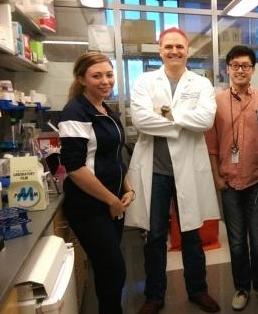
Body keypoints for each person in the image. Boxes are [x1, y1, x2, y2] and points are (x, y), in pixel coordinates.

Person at [125, 27, 221, 314]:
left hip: (189, 170)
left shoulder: (201, 83)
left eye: (180, 46)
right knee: (154, 235)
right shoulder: (145, 81)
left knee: (192, 233)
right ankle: (154, 296)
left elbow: (205, 120)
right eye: (169, 47)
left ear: (187, 50)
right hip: (155, 170)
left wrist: (166, 116)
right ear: (160, 50)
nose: (174, 51)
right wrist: (183, 123)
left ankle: (198, 290)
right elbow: (142, 121)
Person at [58, 52, 135, 314]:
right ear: (81, 79)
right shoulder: (75, 112)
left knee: (108, 272)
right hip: (90, 207)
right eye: (97, 75)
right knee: (114, 269)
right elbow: (76, 168)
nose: (105, 81)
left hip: (112, 204)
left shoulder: (106, 110)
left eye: (109, 74)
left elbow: (115, 157)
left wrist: (128, 189)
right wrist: (112, 200)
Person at [205, 45, 258, 311]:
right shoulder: (215, 102)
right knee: (236, 243)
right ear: (227, 69)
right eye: (235, 65)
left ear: (253, 70)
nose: (240, 70)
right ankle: (241, 288)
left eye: (246, 65)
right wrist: (216, 177)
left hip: (256, 182)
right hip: (228, 184)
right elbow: (211, 145)